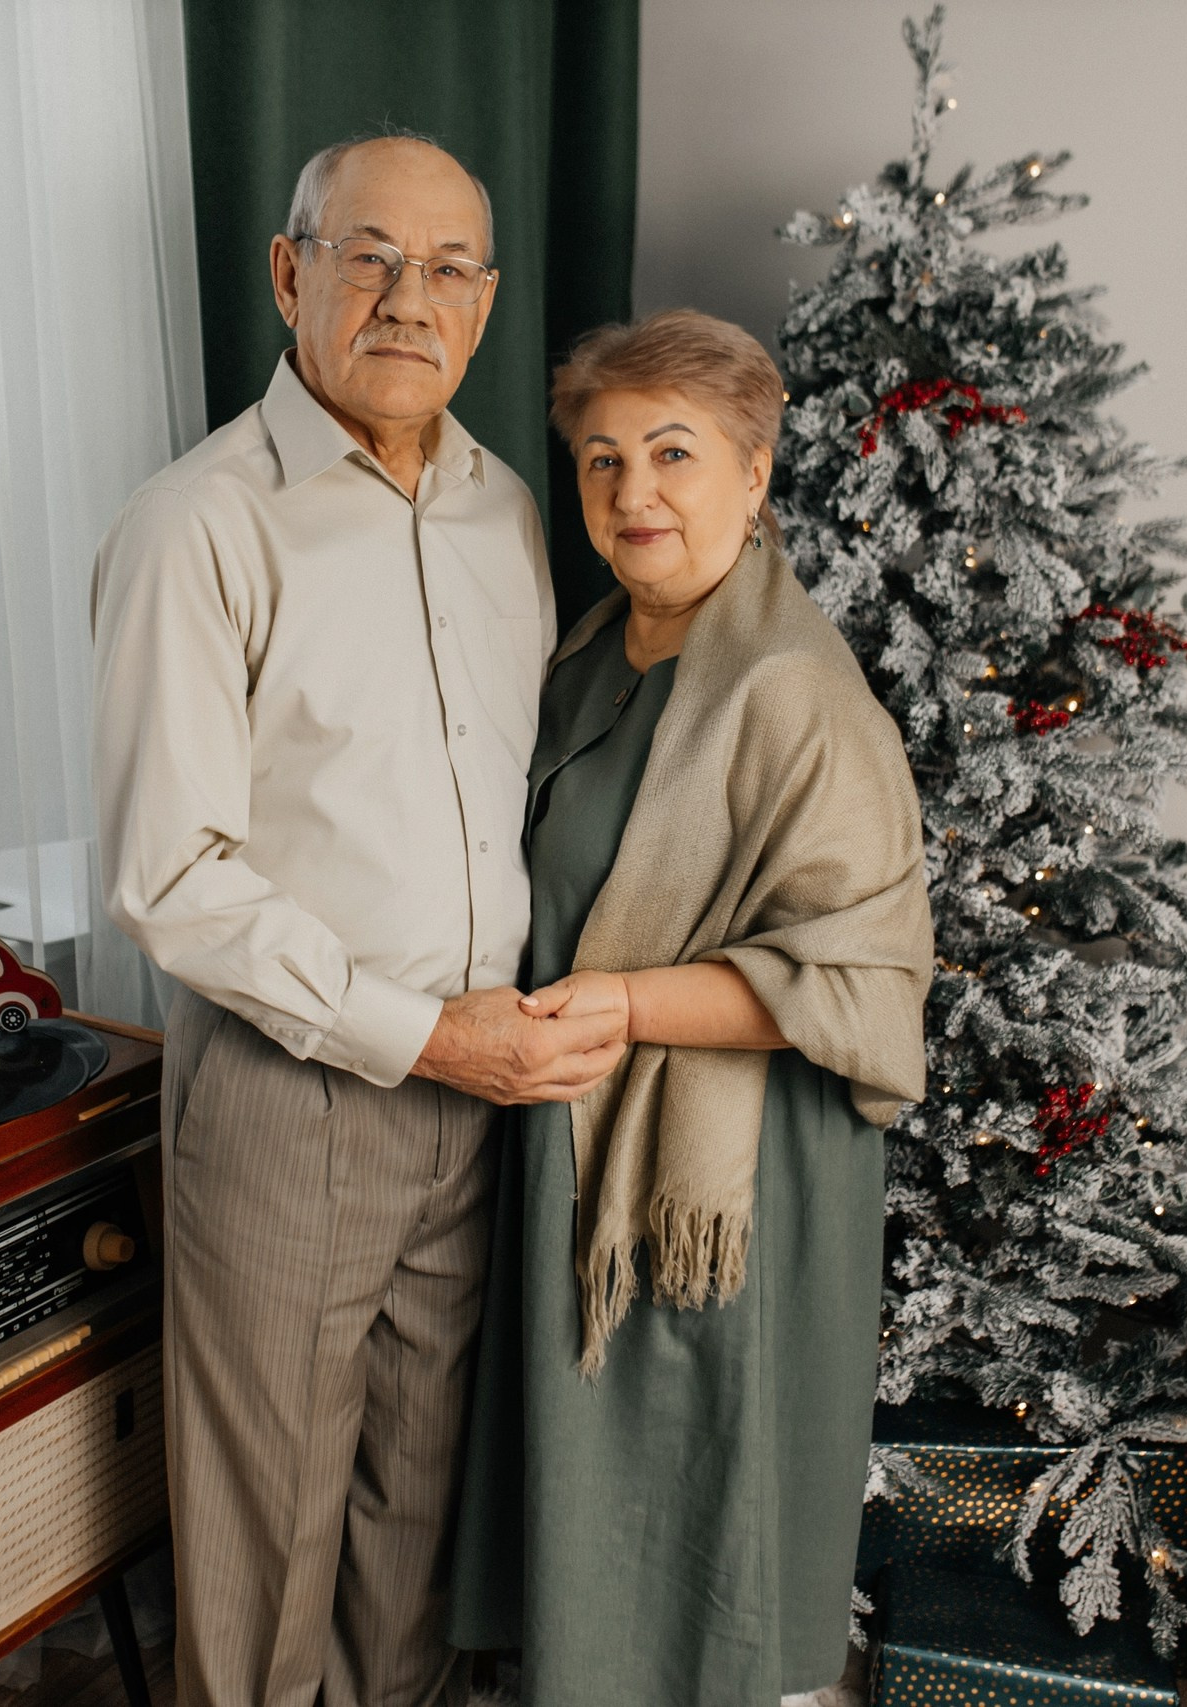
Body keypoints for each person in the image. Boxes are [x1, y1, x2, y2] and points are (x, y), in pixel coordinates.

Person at [92, 134, 618, 1707]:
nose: (410, 297)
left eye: (449, 266)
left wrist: (492, 1035)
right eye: (368, 255)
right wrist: (422, 1033)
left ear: (487, 301)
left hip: (479, 1094)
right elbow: (169, 877)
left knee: (410, 1520)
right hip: (293, 1092)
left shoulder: (508, 512)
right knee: (264, 1552)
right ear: (289, 272)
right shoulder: (199, 528)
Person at [445, 309, 935, 1707]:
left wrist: (620, 1000)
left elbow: (862, 979)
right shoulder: (601, 650)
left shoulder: (792, 692)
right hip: (581, 1120)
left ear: (755, 472)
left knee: (697, 1497)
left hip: (730, 1173)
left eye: (673, 454)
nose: (633, 494)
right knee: (599, 1501)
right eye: (602, 462)